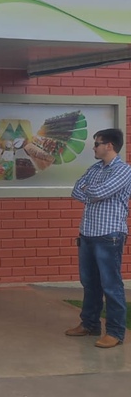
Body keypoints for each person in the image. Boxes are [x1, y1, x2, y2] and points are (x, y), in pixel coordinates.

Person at [66, 128, 131, 348]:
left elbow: (99, 192)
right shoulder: (95, 168)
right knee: (90, 283)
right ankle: (90, 324)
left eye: (96, 144)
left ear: (109, 146)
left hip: (109, 236)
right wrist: (91, 191)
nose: (94, 148)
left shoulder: (123, 170)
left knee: (111, 285)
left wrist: (91, 191)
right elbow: (76, 190)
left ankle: (115, 332)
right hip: (87, 234)